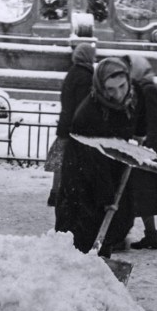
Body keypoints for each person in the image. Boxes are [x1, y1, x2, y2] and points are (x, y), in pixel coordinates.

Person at [55, 57, 135, 258]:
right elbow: (93, 164)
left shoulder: (121, 105)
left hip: (107, 181)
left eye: (122, 86)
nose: (118, 94)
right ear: (100, 86)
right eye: (110, 89)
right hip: (84, 188)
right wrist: (107, 197)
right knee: (84, 241)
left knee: (104, 238)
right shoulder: (89, 115)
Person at [45, 43, 96, 208]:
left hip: (66, 124)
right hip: (76, 127)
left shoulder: (73, 72)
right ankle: (63, 194)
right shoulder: (85, 76)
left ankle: (55, 192)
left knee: (61, 159)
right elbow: (83, 105)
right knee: (72, 162)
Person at [123, 54, 157, 250]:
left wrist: (151, 150)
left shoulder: (148, 90)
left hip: (146, 150)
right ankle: (150, 235)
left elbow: (155, 123)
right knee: (141, 195)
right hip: (142, 148)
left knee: (141, 194)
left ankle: (129, 235)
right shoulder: (143, 88)